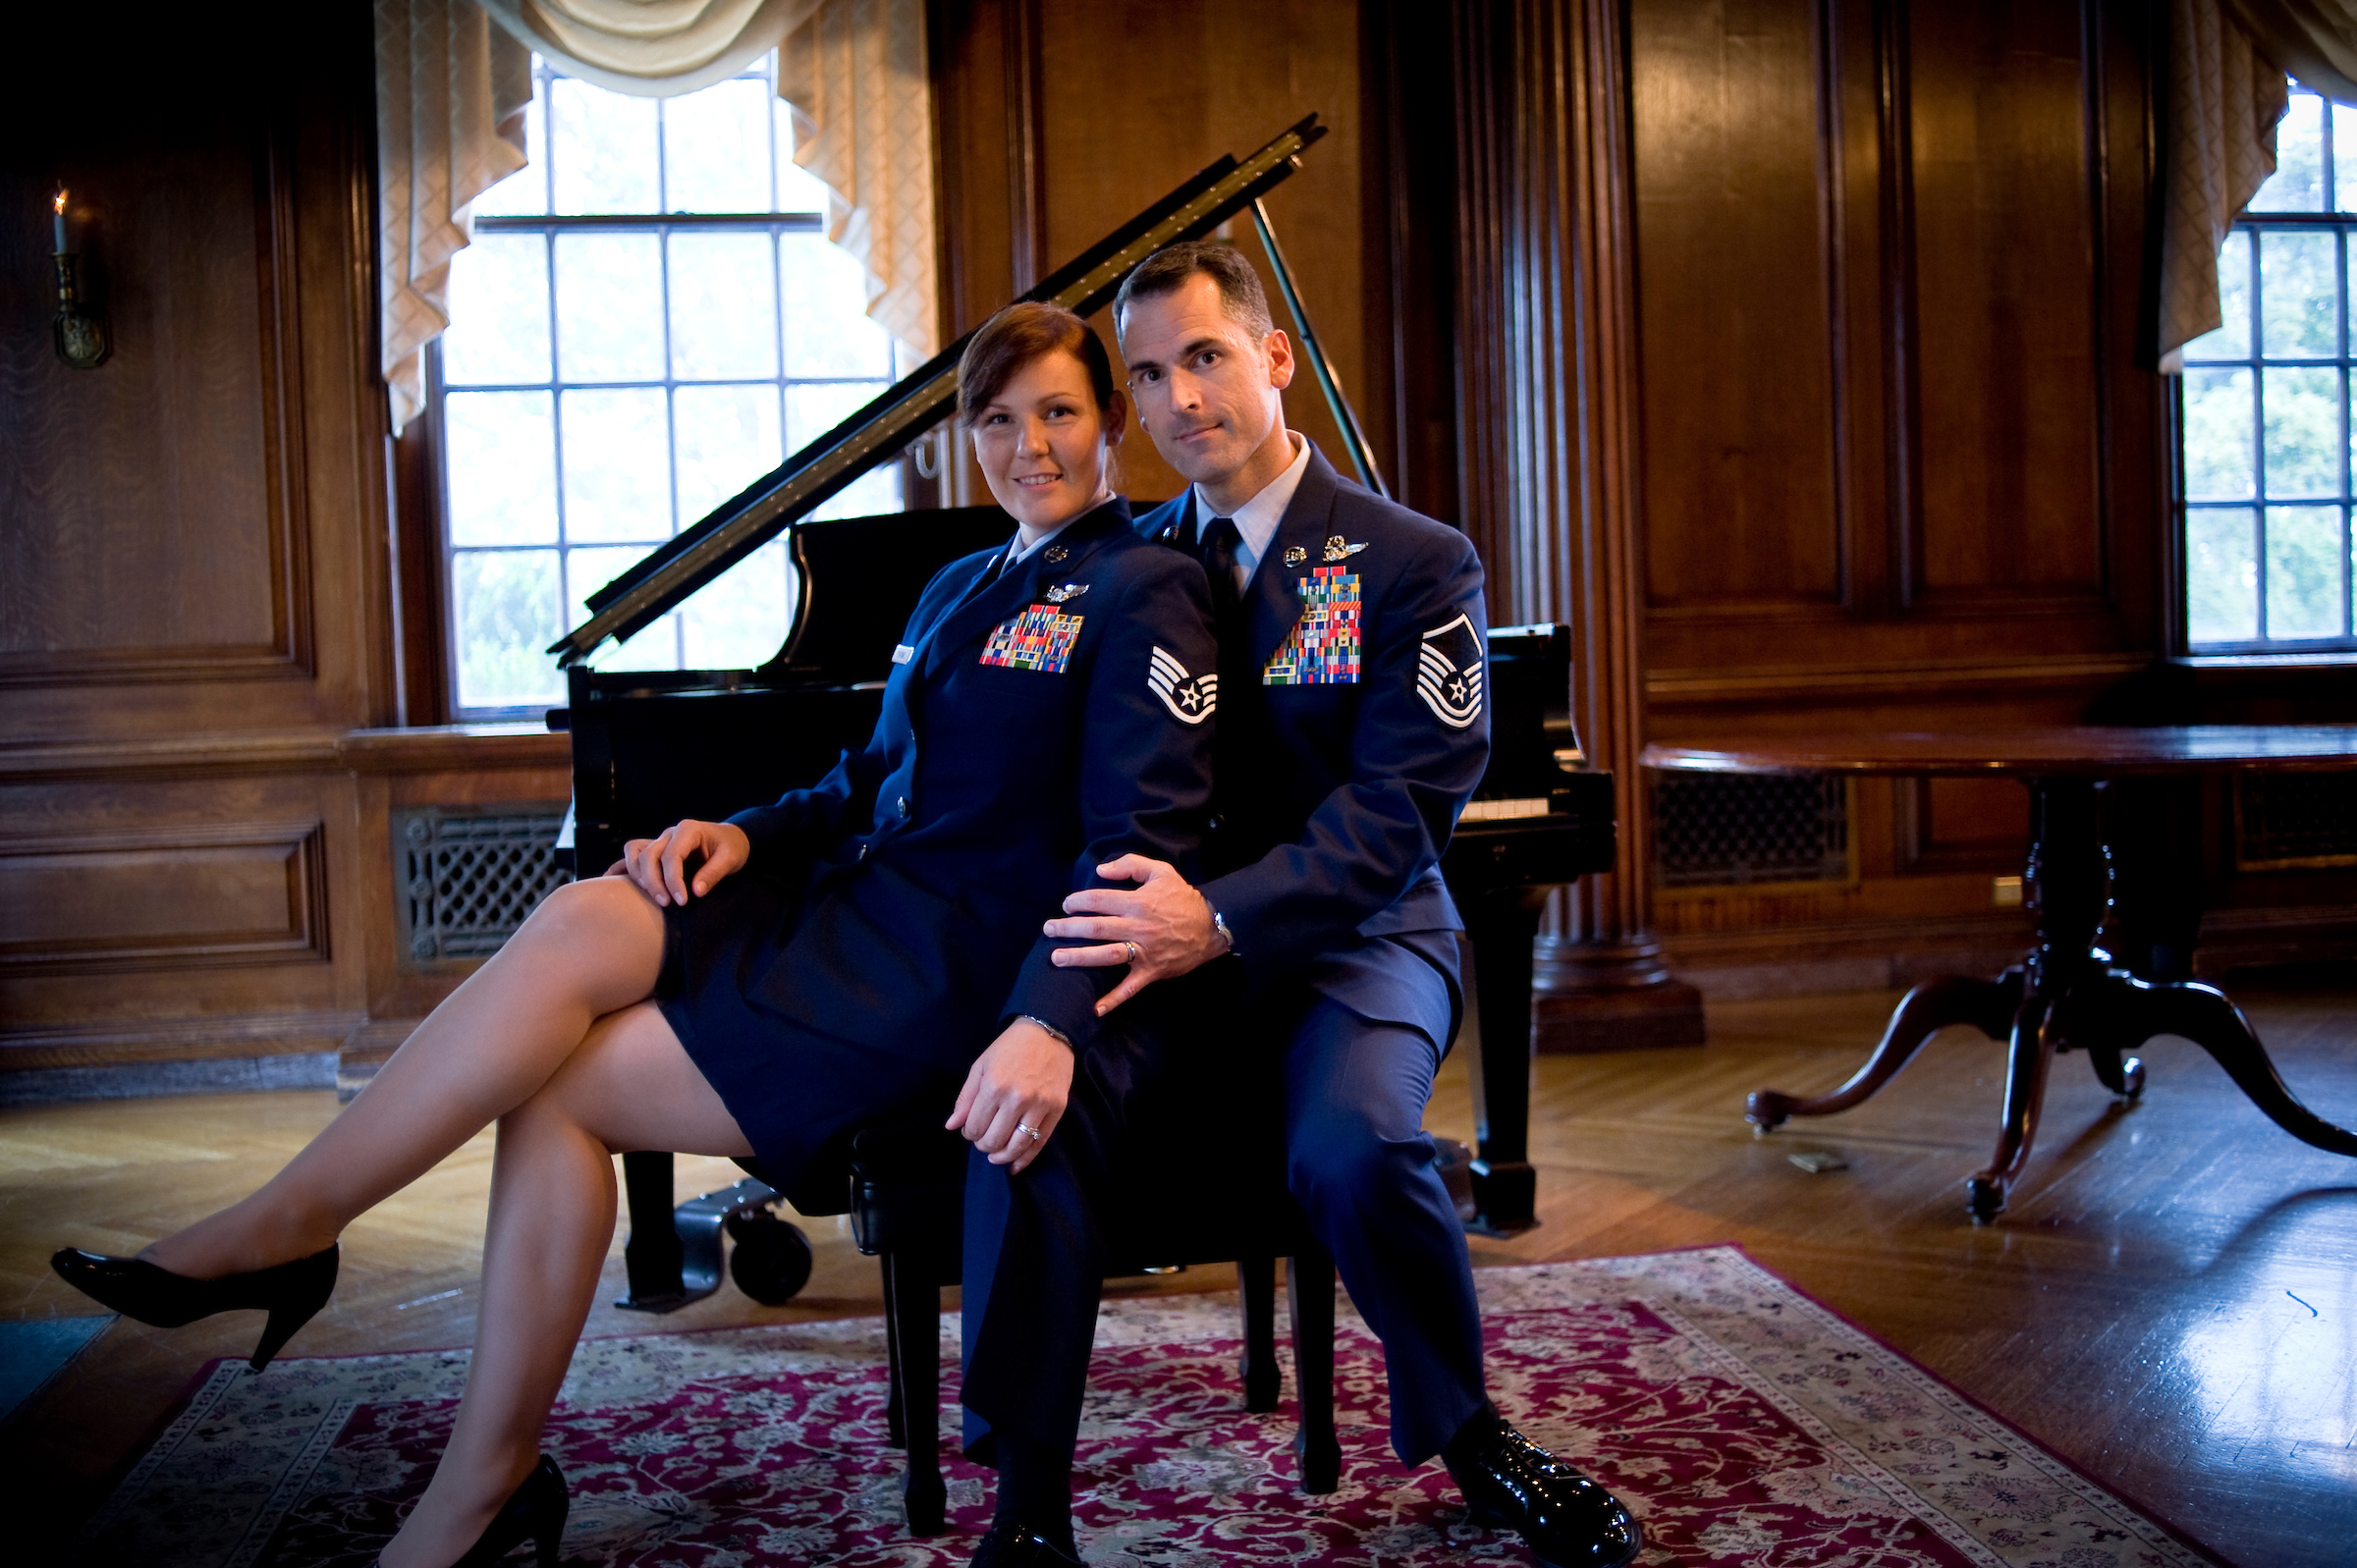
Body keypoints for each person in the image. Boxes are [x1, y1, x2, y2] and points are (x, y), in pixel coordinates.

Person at [50, 301, 1218, 1568]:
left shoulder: (1144, 586)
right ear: (965, 436)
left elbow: (1133, 854)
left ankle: (325, 1292)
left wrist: (1045, 1020)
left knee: (558, 1083)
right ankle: (419, 1397)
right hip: (851, 917)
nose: (1026, 444)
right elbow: (866, 778)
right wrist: (741, 832)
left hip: (947, 979)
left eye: (1056, 412)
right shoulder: (955, 584)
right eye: (996, 417)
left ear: (1111, 423)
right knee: (585, 922)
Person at [957, 243, 1643, 1568]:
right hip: (1167, 944)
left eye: (1205, 357)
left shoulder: (1411, 560)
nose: (1179, 401)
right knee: (1033, 1103)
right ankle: (1029, 1506)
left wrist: (1214, 917)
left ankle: (1476, 1437)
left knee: (1352, 1147)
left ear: (1272, 356)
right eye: (1148, 376)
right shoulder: (1127, 561)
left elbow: (1401, 810)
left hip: (1355, 937)